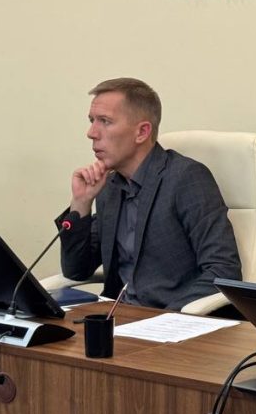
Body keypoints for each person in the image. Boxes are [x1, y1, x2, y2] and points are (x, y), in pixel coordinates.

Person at [56, 77, 241, 310]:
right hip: (119, 316)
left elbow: (223, 271)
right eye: (92, 121)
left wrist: (165, 317)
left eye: (105, 121)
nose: (91, 133)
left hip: (172, 319)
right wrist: (81, 203)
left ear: (142, 132)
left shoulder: (185, 178)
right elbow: (76, 270)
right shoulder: (109, 186)